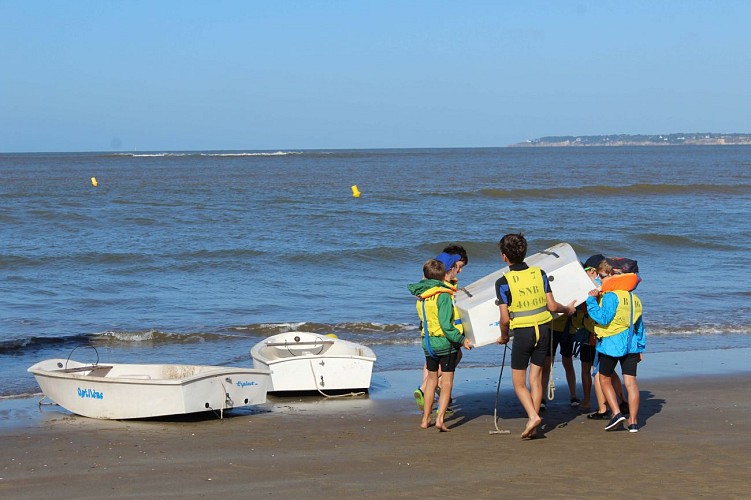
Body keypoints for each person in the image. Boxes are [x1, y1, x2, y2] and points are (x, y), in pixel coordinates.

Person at [494, 233, 575, 439]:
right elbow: (551, 306)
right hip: (544, 331)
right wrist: (568, 310)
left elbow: (504, 319)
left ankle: (533, 416)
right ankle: (535, 423)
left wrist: (504, 337)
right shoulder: (539, 273)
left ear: (504, 256)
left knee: (519, 383)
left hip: (524, 333)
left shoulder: (503, 282)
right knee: (536, 380)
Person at [408, 258, 472, 431]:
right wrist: (461, 340)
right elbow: (445, 325)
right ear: (443, 275)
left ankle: (425, 419)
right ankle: (440, 419)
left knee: (431, 381)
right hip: (445, 344)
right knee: (447, 382)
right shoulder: (443, 296)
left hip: (428, 344)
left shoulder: (421, 297)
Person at [586, 282, 645, 432]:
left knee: (604, 379)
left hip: (611, 345)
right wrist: (640, 347)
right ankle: (633, 422)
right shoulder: (635, 298)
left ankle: (616, 413)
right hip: (631, 345)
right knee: (631, 383)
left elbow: (603, 318)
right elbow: (639, 326)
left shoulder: (612, 296)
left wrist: (591, 300)